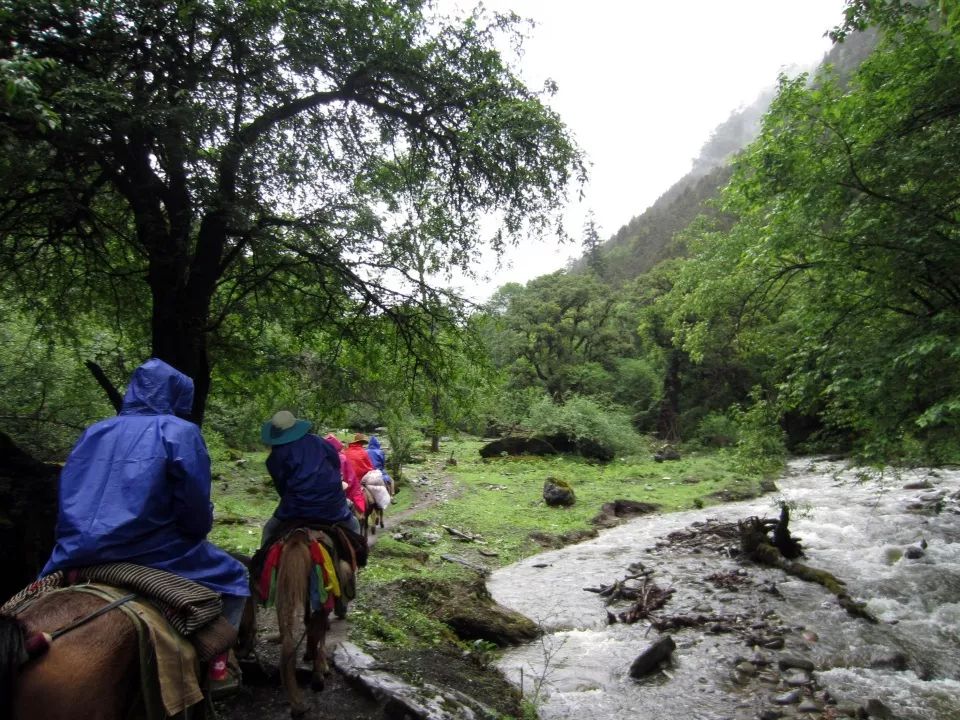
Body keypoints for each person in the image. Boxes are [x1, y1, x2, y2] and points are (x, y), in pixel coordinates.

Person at [40, 358, 250, 689]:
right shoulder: (180, 432)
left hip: (76, 551)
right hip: (156, 551)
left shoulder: (95, 431)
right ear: (179, 395)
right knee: (236, 577)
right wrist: (196, 530)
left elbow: (71, 491)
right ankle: (216, 670)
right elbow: (193, 504)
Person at [260, 411, 361, 542]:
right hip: (332, 506)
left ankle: (259, 562)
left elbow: (281, 487)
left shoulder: (275, 456)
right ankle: (359, 561)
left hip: (295, 509)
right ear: (295, 427)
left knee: (269, 530)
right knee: (354, 527)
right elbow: (336, 464)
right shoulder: (319, 441)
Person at [324, 433, 365, 517]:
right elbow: (351, 478)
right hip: (343, 489)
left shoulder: (320, 459)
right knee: (353, 524)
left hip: (322, 494)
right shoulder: (343, 457)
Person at [346, 433, 391, 510]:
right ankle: (389, 497)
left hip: (349, 478)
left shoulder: (346, 451)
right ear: (361, 443)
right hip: (362, 477)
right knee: (384, 482)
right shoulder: (364, 452)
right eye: (363, 443)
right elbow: (369, 466)